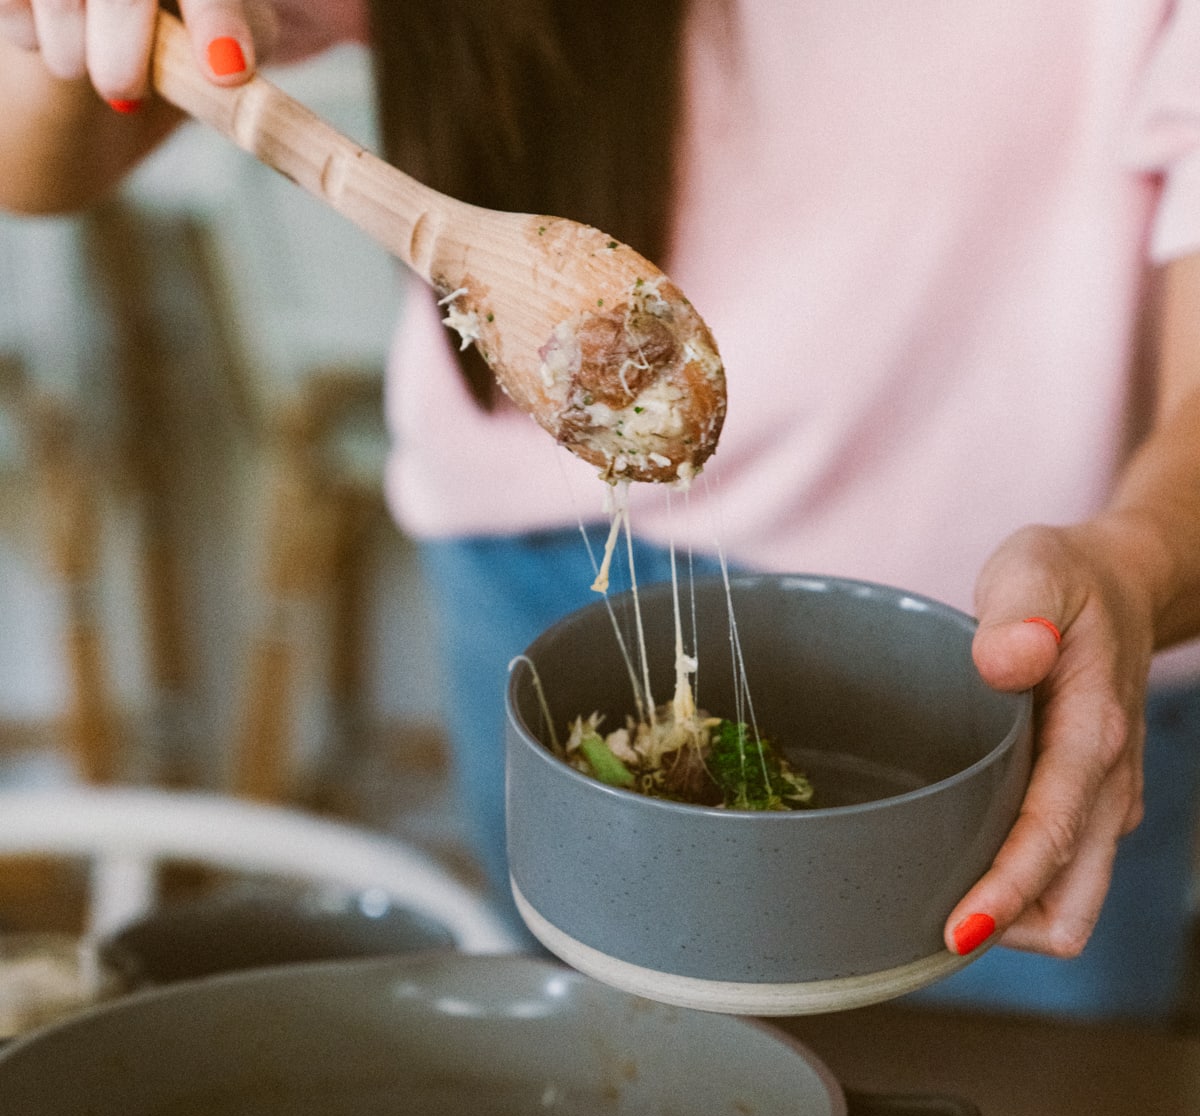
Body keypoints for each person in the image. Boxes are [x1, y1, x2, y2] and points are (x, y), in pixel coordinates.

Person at [3, 0, 1200, 1019]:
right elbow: (35, 157)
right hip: (554, 574)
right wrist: (94, 36)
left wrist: (1137, 560)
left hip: (1026, 652)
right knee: (615, 1111)